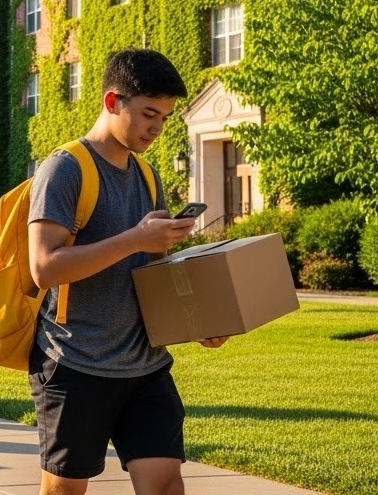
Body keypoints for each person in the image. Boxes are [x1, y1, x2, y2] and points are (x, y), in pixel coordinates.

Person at [27, 48, 228, 495]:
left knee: (165, 484)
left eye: (165, 117)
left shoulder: (148, 175)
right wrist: (135, 238)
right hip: (76, 363)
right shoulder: (64, 170)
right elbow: (44, 267)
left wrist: (198, 320)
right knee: (65, 491)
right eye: (148, 114)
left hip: (145, 366)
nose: (157, 128)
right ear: (113, 102)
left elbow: (151, 266)